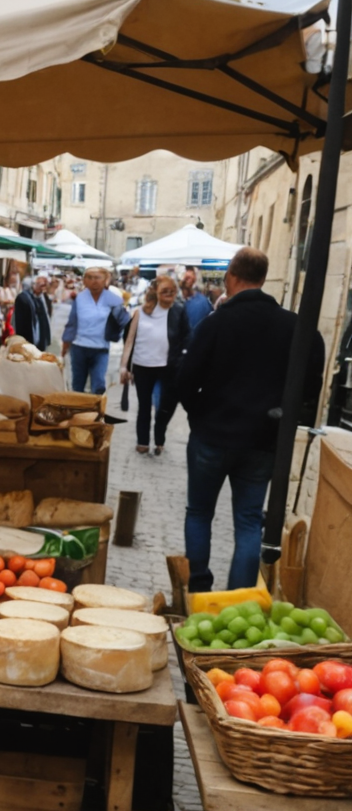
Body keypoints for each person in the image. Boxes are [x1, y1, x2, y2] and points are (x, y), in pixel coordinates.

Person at [177, 246, 323, 594]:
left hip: (212, 436)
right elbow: (311, 386)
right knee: (247, 522)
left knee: (199, 512)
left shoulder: (216, 323)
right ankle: (239, 599)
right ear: (263, 278)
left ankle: (198, 588)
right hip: (261, 440)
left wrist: (200, 415)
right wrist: (280, 419)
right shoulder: (295, 328)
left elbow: (185, 380)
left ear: (231, 276)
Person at [121, 274, 190, 456]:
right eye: (165, 291)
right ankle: (142, 441)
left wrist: (182, 358)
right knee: (144, 406)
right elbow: (129, 341)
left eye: (173, 291)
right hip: (143, 365)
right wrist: (124, 367)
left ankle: (159, 438)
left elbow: (186, 338)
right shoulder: (140, 312)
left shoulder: (179, 311)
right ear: (155, 292)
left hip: (169, 366)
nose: (169, 294)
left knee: (165, 407)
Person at [61, 266, 127, 394]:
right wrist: (65, 346)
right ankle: (78, 411)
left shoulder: (113, 299)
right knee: (77, 385)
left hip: (101, 348)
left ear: (105, 280)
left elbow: (124, 321)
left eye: (98, 278)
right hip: (79, 347)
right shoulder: (80, 298)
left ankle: (96, 412)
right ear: (84, 281)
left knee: (98, 385)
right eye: (90, 278)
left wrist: (119, 335)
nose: (94, 281)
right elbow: (71, 323)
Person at [12, 273, 54, 348]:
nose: (43, 288)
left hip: (40, 337)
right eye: (41, 285)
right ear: (33, 285)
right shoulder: (23, 298)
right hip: (27, 338)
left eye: (44, 285)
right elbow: (20, 322)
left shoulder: (41, 297)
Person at [180, 266, 214, 334]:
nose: (187, 280)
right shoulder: (172, 302)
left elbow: (211, 324)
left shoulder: (203, 302)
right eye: (186, 278)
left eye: (190, 278)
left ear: (194, 279)